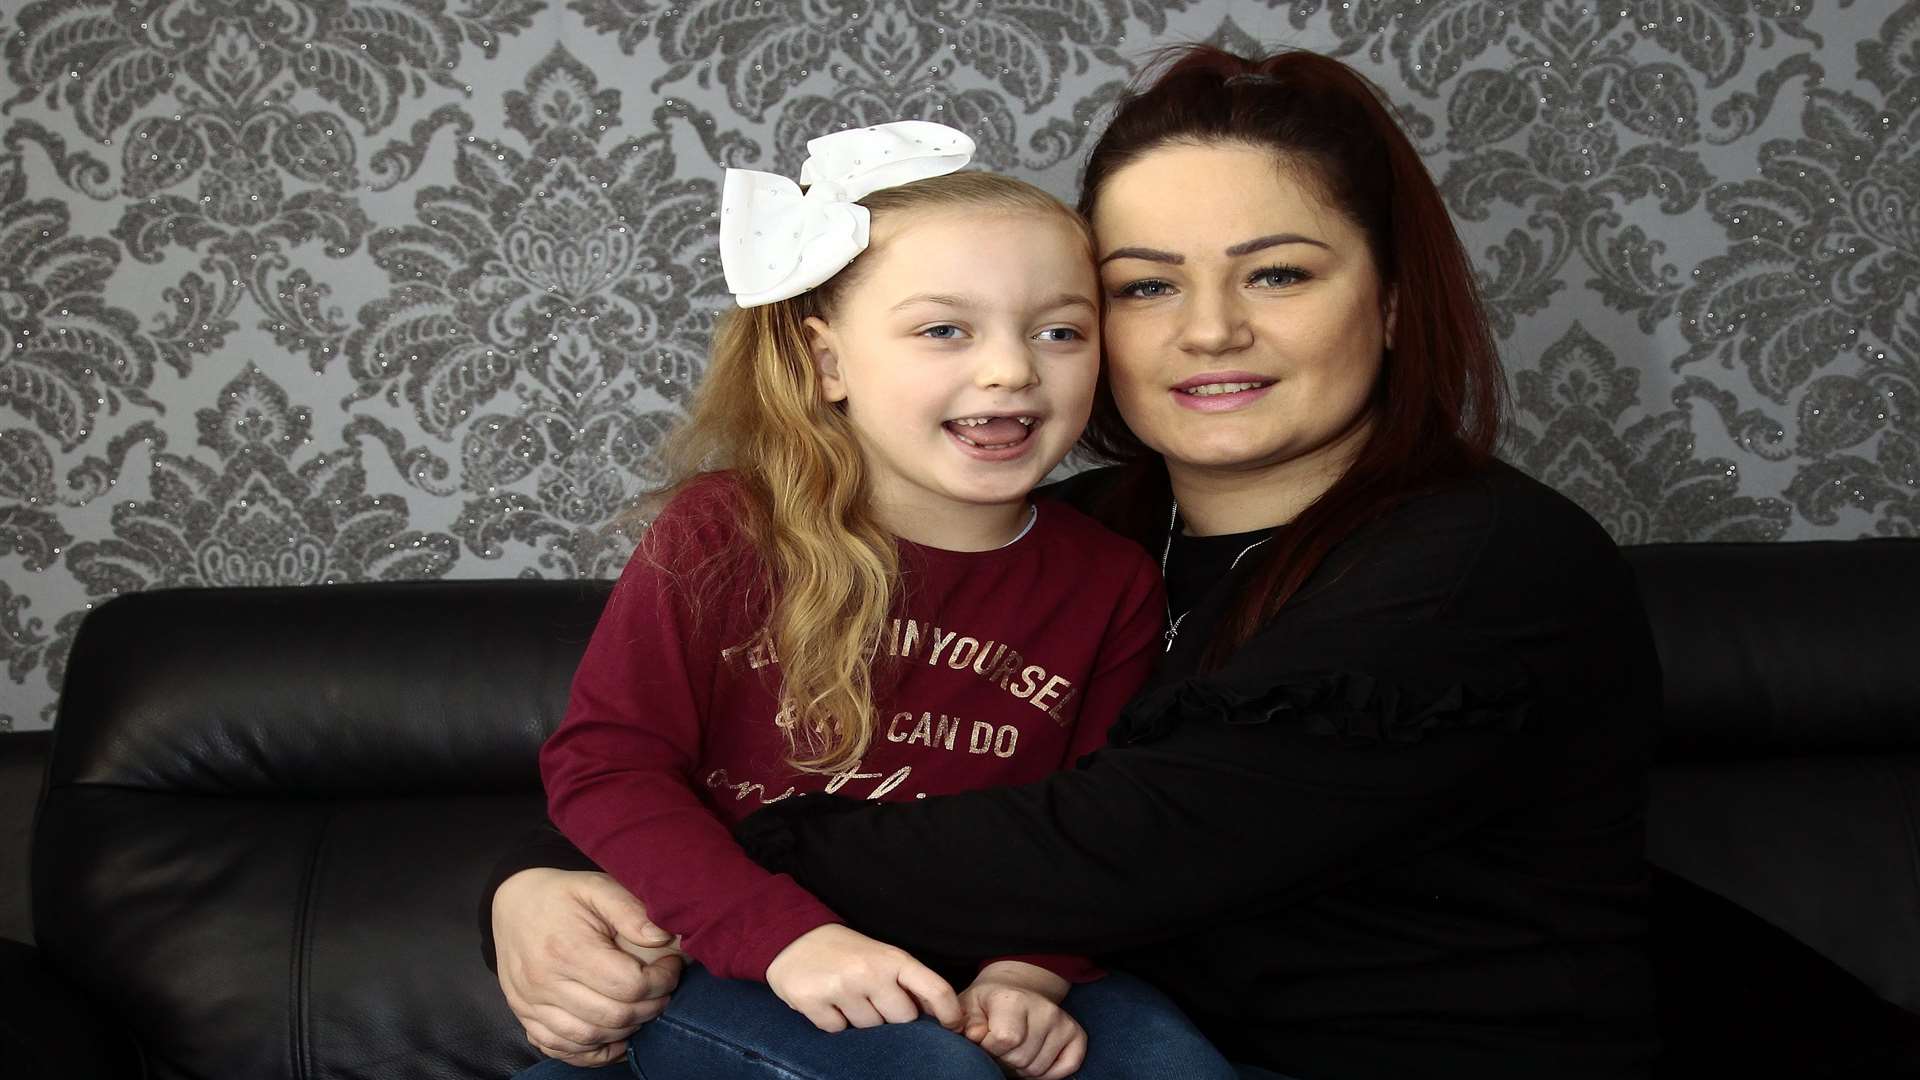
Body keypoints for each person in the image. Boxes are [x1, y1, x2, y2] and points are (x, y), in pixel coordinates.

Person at [488, 47, 1664, 1080]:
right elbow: (649, 744)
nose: (1210, 330)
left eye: (1280, 274)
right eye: (1146, 286)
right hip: (909, 1000)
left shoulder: (1479, 567)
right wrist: (540, 892)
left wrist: (672, 878)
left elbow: (1107, 853)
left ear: (1396, 303)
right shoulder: (1080, 522)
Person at [512, 121, 1241, 1080]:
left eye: (1059, 331)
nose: (1012, 369)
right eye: (946, 329)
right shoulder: (723, 533)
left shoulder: (1109, 580)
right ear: (827, 363)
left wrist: (1034, 972)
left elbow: (1099, 822)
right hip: (745, 954)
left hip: (997, 954)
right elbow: (607, 767)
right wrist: (784, 941)